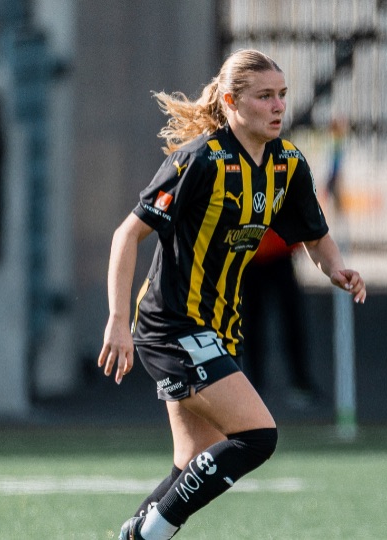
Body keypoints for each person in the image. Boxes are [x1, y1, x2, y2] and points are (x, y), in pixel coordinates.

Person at [97, 48, 366, 540]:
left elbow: (314, 234)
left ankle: (135, 536)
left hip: (219, 329)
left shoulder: (287, 163)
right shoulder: (199, 160)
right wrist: (117, 321)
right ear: (231, 102)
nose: (277, 106)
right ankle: (151, 532)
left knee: (193, 461)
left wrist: (336, 268)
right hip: (172, 326)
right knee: (258, 435)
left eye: (282, 95)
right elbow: (126, 235)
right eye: (264, 96)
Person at [239, 228, 321, 406]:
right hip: (250, 254)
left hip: (279, 253)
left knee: (291, 318)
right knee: (251, 323)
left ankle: (300, 381)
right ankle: (254, 383)